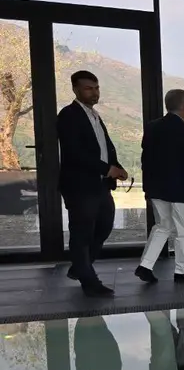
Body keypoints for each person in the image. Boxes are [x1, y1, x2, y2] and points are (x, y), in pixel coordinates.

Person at [57, 70, 128, 297]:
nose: (94, 92)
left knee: (105, 225)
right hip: (80, 186)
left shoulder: (95, 115)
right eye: (89, 88)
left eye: (96, 87)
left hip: (100, 185)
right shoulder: (69, 115)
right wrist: (107, 169)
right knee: (82, 233)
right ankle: (89, 280)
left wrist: (116, 167)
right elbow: (74, 153)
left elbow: (104, 147)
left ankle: (80, 267)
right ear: (76, 90)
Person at [134, 89, 184, 284]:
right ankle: (181, 271)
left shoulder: (152, 127)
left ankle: (145, 265)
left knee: (162, 227)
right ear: (183, 107)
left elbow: (145, 159)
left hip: (156, 189)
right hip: (180, 190)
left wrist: (147, 188)